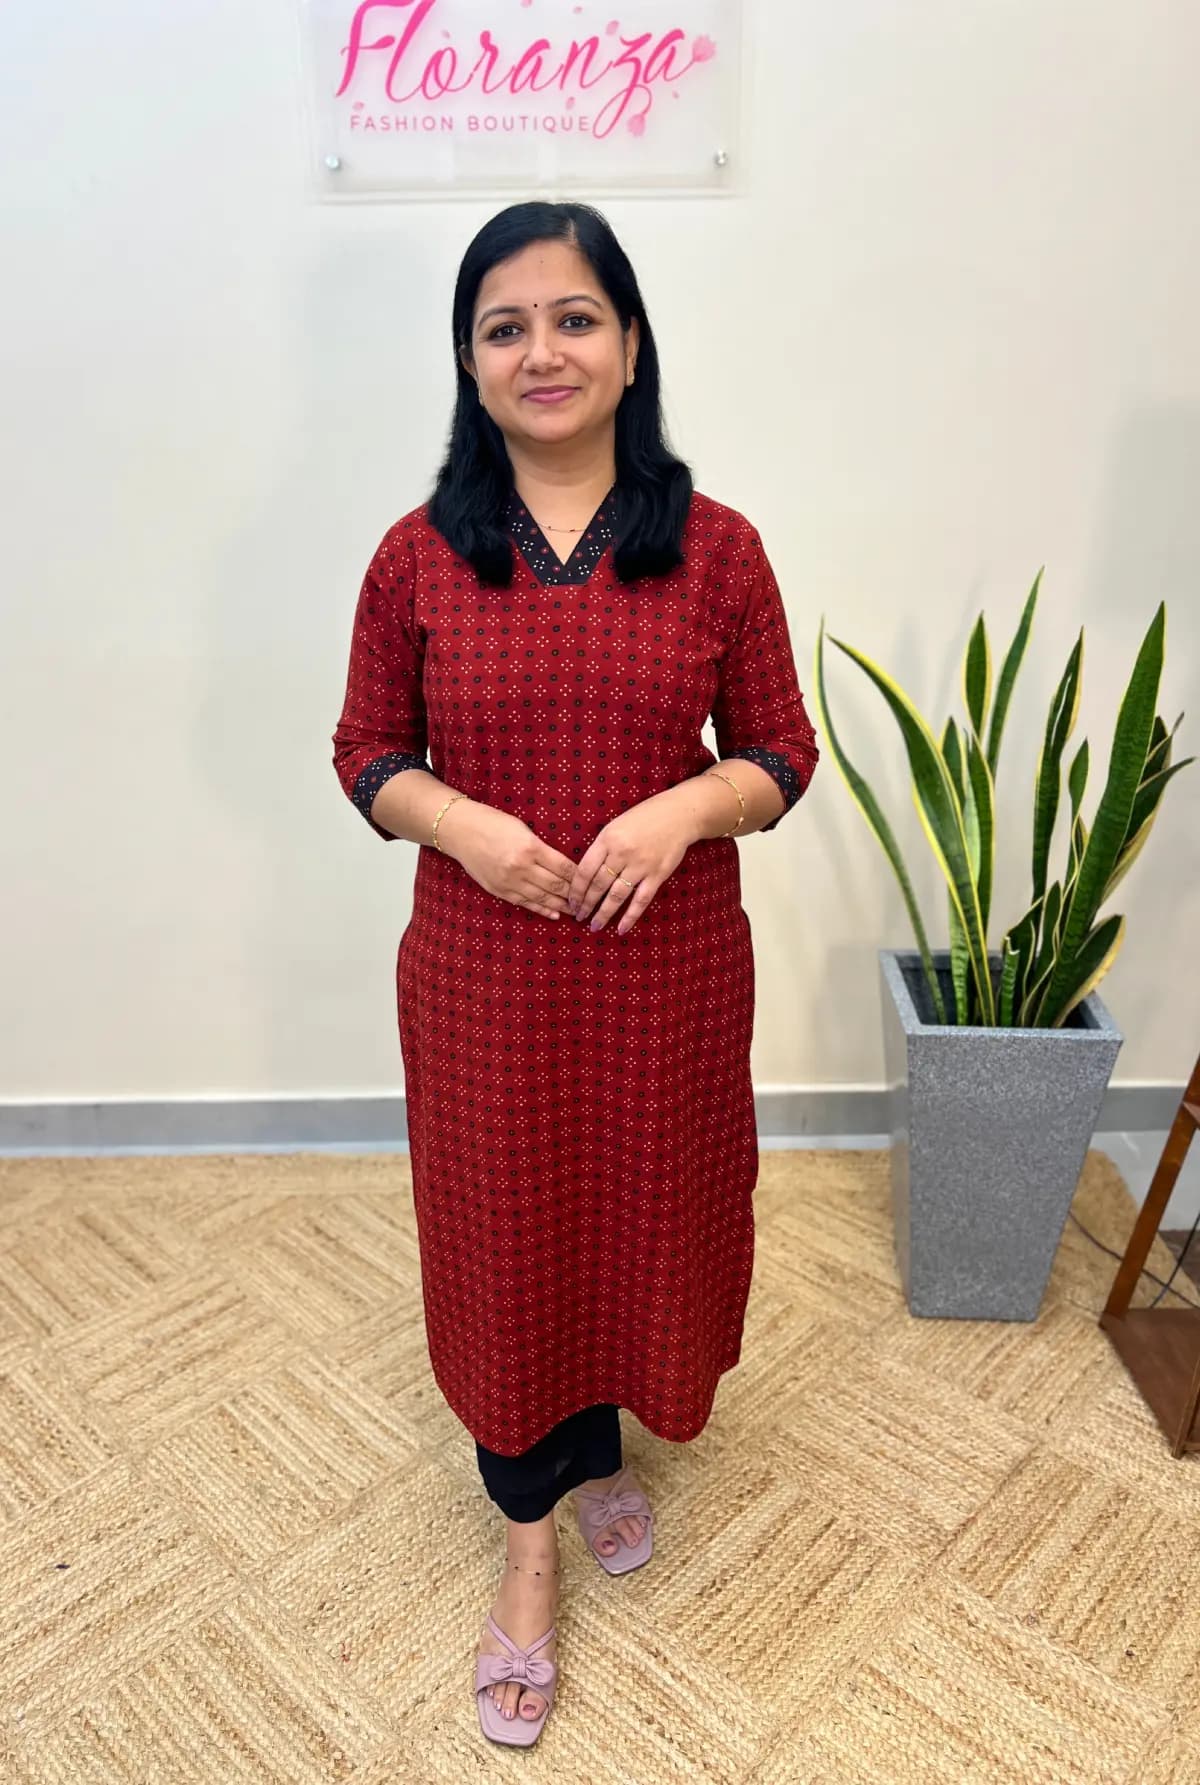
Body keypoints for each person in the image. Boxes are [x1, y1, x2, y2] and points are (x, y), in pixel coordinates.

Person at [331, 200, 820, 1748]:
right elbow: (365, 753)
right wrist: (463, 824)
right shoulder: (417, 558)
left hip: (664, 972)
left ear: (630, 345)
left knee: (639, 1207)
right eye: (505, 326)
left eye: (574, 317)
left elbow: (782, 752)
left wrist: (685, 806)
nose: (542, 350)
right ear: (469, 363)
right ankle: (527, 1545)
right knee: (507, 1230)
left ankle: (603, 1447)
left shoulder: (719, 549)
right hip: (484, 975)